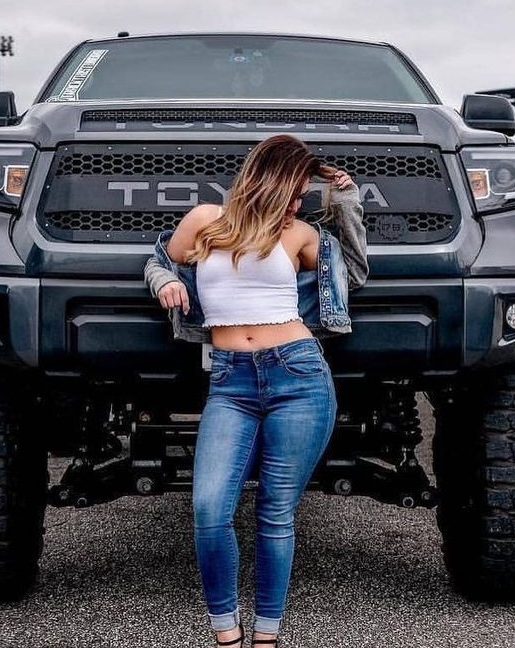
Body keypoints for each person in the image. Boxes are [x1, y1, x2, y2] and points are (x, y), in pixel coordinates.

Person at [144, 134, 367, 647]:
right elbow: (159, 257)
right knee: (209, 509)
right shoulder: (205, 221)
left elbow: (353, 272)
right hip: (230, 381)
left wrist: (346, 200)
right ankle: (226, 631)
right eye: (294, 190)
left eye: (304, 194)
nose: (298, 202)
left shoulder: (301, 234)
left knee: (275, 511)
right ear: (267, 181)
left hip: (299, 375)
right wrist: (164, 283)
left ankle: (265, 635)